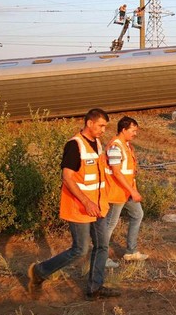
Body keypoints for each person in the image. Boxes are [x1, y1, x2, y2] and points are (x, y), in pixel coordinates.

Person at [28, 108, 121, 301]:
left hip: (98, 207)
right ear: (89, 123)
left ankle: (94, 288)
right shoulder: (74, 145)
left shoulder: (97, 143)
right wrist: (86, 201)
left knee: (102, 246)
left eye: (105, 126)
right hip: (80, 207)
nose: (104, 130)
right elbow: (67, 178)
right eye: (101, 126)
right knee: (80, 250)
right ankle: (39, 272)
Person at [103, 116, 147, 268]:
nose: (135, 133)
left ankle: (131, 251)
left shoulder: (126, 145)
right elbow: (116, 172)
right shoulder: (116, 146)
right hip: (117, 192)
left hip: (126, 191)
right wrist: (132, 191)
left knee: (137, 214)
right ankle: (101, 258)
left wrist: (132, 190)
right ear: (123, 129)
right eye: (133, 130)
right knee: (110, 224)